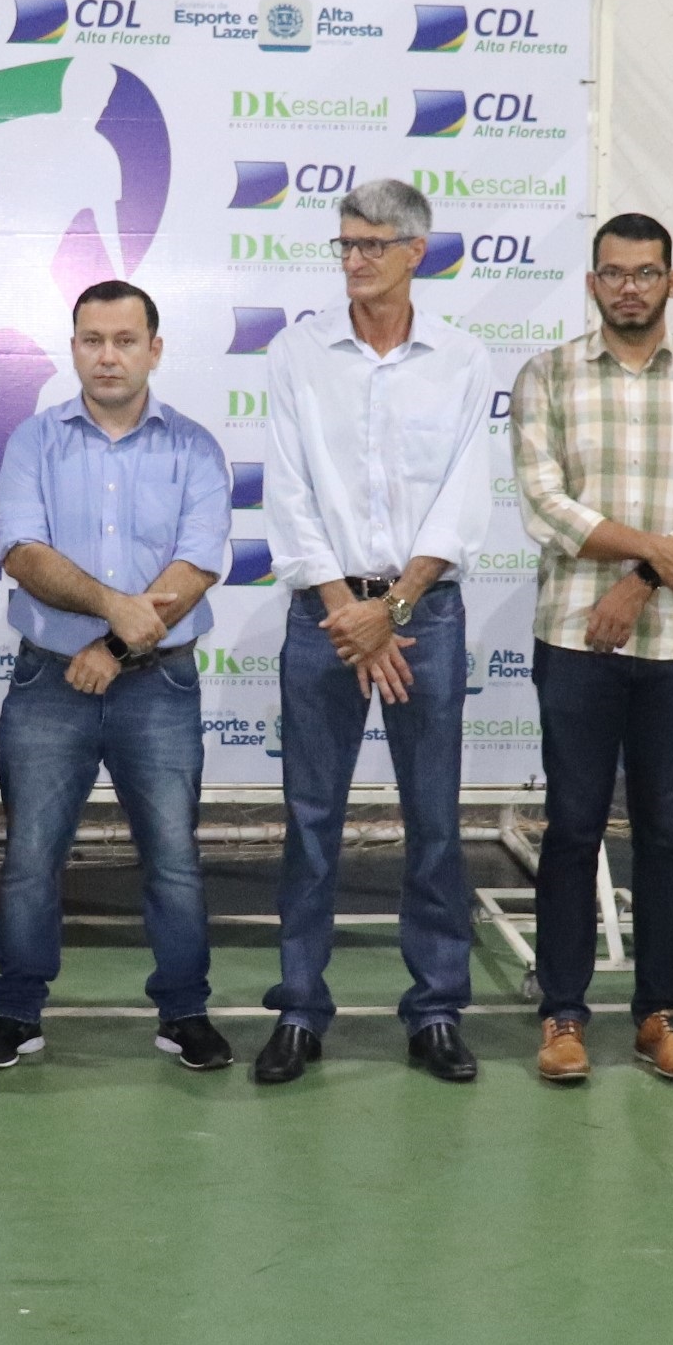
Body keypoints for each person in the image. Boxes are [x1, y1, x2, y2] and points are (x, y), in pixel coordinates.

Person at [508, 211, 673, 1086]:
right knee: (572, 830)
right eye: (613, 273)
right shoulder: (546, 377)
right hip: (574, 639)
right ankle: (563, 1015)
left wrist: (638, 581)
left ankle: (659, 1013)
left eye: (645, 272)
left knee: (667, 834)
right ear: (592, 283)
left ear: (671, 281)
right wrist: (654, 551)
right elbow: (545, 506)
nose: (629, 287)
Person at [256, 177, 498, 1085]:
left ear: (415, 253)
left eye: (371, 245)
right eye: (346, 244)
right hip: (325, 614)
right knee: (311, 821)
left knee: (434, 822)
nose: (354, 260)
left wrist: (390, 611)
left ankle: (436, 1010)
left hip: (422, 615)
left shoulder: (462, 359)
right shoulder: (298, 352)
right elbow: (288, 491)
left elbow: (463, 499)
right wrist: (347, 611)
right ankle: (299, 1010)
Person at [0, 279, 233, 1074]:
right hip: (49, 682)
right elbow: (24, 554)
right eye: (93, 340)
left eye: (125, 340)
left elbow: (197, 566)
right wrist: (116, 610)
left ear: (155, 349)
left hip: (160, 685)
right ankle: (15, 1010)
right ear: (74, 348)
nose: (108, 356)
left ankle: (184, 1012)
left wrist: (113, 647)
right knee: (30, 860)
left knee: (174, 860)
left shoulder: (195, 448)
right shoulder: (33, 442)